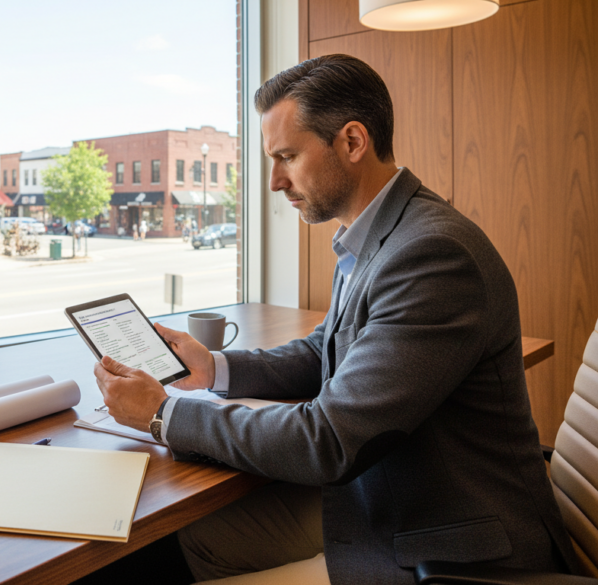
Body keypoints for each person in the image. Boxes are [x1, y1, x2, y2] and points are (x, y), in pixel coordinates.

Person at [93, 54, 574, 585]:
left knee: (144, 558)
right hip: (384, 494)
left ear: (351, 142)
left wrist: (164, 415)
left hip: (445, 547)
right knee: (171, 545)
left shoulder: (433, 254)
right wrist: (213, 369)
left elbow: (327, 441)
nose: (275, 181)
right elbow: (323, 350)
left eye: (287, 156)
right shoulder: (377, 234)